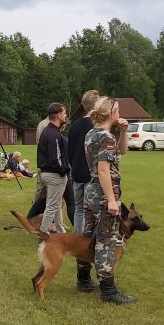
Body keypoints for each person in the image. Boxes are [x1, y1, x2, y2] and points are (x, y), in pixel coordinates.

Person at [83, 97, 134, 304]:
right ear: (111, 112)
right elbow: (104, 170)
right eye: (118, 110)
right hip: (104, 193)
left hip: (91, 191)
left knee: (88, 236)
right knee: (106, 241)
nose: (120, 113)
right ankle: (108, 290)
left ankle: (83, 279)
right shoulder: (106, 138)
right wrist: (112, 200)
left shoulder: (93, 133)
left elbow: (122, 152)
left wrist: (123, 132)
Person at [68, 90, 100, 293]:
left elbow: (70, 150)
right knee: (92, 213)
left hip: (76, 173)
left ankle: (78, 236)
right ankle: (87, 243)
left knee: (79, 209)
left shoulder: (75, 125)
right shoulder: (95, 127)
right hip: (89, 174)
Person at [37, 103, 70, 233]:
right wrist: (64, 171)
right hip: (54, 174)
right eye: (64, 113)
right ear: (58, 115)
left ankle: (61, 232)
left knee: (56, 205)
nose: (66, 115)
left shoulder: (47, 131)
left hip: (46, 173)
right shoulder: (53, 134)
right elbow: (55, 158)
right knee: (51, 206)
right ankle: (43, 234)